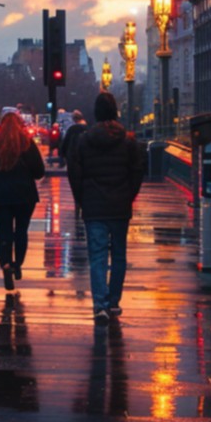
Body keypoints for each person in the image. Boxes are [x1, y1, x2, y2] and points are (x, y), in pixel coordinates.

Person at [67, 91, 144, 323]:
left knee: (98, 256)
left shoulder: (84, 141)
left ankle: (100, 305)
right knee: (119, 255)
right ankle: (114, 302)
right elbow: (137, 171)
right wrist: (129, 195)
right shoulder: (128, 141)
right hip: (120, 205)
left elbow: (75, 173)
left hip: (94, 206)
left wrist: (81, 199)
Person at [0, 111, 46, 291]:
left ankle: (5, 264)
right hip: (24, 194)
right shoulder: (27, 143)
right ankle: (18, 264)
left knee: (3, 231)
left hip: (0, 195)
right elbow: (39, 172)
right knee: (21, 231)